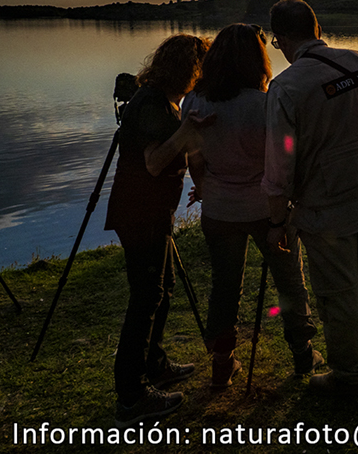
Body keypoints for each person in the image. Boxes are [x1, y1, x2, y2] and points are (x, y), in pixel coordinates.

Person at [262, 0, 358, 396]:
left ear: (281, 40)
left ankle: (351, 375)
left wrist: (277, 221)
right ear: (318, 29)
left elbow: (278, 170)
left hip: (329, 211)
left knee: (339, 293)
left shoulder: (286, 88)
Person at [181, 23, 322, 389]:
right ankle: (303, 354)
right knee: (290, 281)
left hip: (219, 210)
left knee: (224, 287)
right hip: (266, 208)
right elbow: (285, 158)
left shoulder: (194, 101)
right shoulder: (266, 103)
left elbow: (194, 159)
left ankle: (221, 363)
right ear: (256, 59)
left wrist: (205, 189)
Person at [104, 33, 211, 428]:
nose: (202, 78)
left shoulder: (160, 100)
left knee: (160, 291)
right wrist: (186, 133)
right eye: (201, 69)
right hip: (140, 213)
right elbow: (152, 163)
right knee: (145, 299)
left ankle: (156, 365)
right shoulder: (151, 104)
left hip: (152, 212)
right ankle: (132, 396)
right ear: (188, 67)